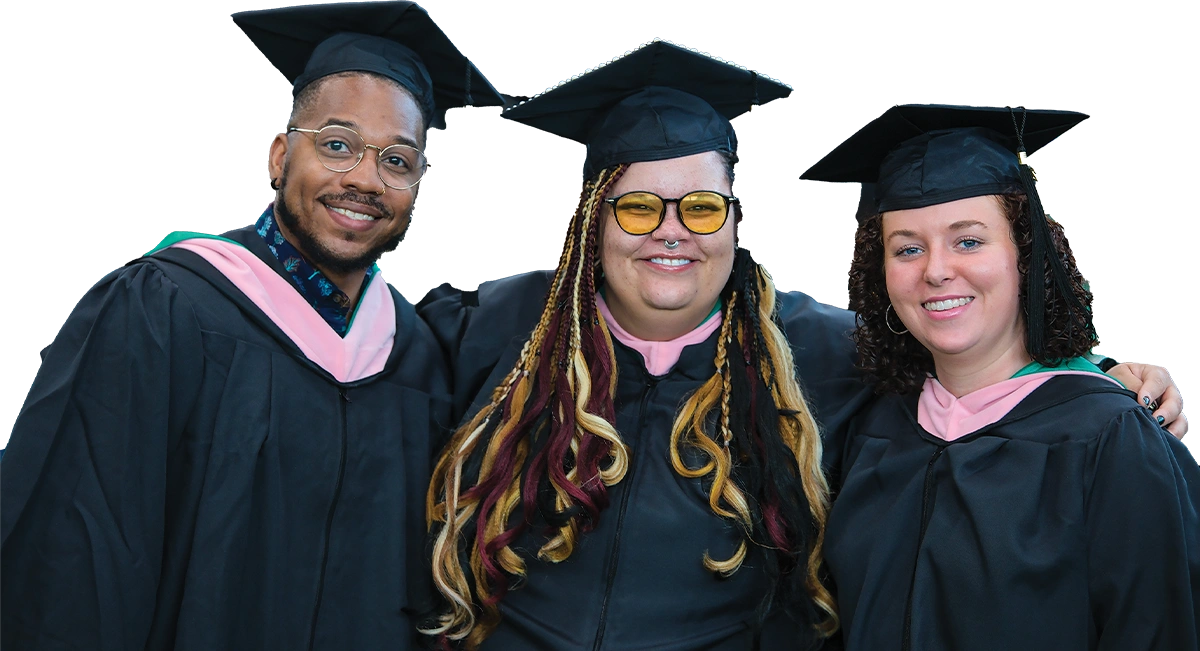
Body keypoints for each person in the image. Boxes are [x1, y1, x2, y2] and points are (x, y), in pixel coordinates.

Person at [416, 41, 1186, 650]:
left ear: (737, 220)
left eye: (704, 206)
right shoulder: (495, 329)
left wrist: (1095, 369)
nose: (672, 231)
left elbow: (981, 361)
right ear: (592, 221)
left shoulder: (811, 358)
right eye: (640, 206)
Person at [0, 3, 503, 650]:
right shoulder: (162, 311)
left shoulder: (416, 360)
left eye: (398, 161)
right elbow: (70, 563)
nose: (364, 179)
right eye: (337, 145)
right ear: (276, 156)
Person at [803, 104, 1200, 649]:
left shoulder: (1109, 437)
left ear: (1026, 255)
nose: (936, 269)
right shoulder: (871, 428)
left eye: (968, 241)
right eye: (908, 248)